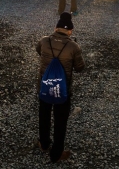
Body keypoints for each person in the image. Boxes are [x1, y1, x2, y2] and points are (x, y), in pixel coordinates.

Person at [36, 12, 85, 163]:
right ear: (70, 31)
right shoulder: (73, 46)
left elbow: (39, 51)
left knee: (44, 115)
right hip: (62, 90)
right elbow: (80, 68)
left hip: (44, 86)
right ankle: (56, 154)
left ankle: (44, 144)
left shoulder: (44, 41)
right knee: (60, 121)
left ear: (55, 28)